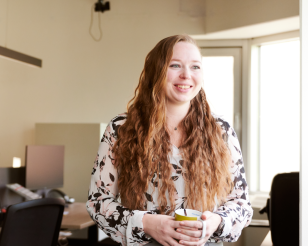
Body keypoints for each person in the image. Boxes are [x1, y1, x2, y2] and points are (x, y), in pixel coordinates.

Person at [87, 35, 252, 246]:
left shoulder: (221, 130)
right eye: (175, 65)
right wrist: (146, 224)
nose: (186, 75)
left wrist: (216, 222)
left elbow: (241, 204)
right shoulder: (121, 129)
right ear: (156, 71)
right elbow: (97, 203)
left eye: (195, 67)